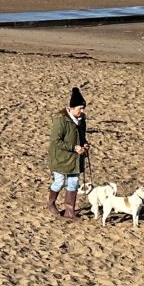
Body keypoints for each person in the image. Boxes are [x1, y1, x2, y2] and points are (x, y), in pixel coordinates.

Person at [47, 86, 89, 220]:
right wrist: (74, 147)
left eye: (83, 109)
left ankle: (69, 211)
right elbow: (55, 141)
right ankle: (51, 203)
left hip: (75, 158)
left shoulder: (82, 120)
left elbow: (82, 137)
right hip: (60, 157)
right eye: (79, 109)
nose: (81, 111)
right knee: (59, 182)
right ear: (71, 108)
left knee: (74, 182)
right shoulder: (61, 121)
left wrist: (85, 144)